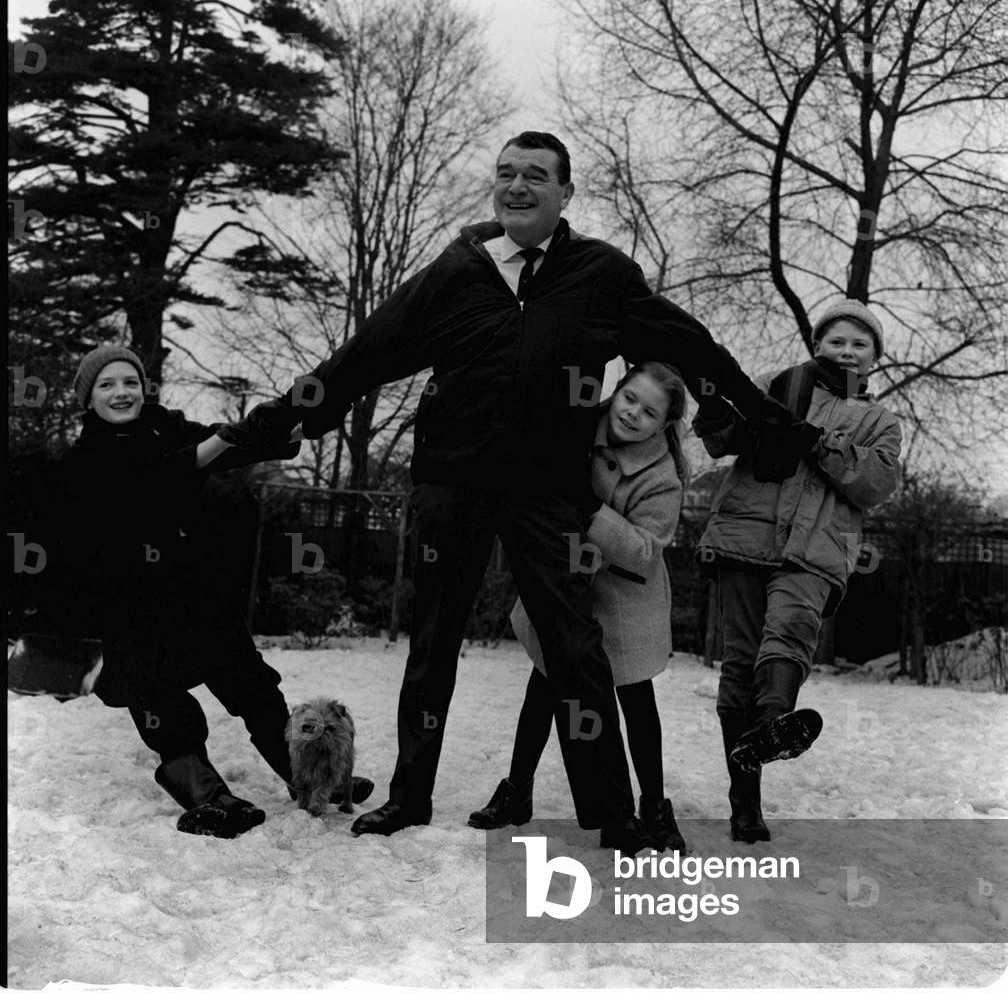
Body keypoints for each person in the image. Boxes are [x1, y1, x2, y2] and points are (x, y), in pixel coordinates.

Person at [220, 131, 816, 850]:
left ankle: (614, 812)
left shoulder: (601, 275)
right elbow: (365, 353)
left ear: (567, 193)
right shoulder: (458, 270)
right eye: (506, 174)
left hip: (547, 490)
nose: (517, 186)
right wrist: (278, 421)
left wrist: (764, 417)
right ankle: (409, 797)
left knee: (575, 645)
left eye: (536, 175)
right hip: (453, 479)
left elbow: (688, 344)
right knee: (433, 643)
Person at [47, 346, 373, 839]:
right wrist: (224, 439)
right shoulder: (84, 459)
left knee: (255, 688)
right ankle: (208, 797)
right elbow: (156, 478)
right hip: (128, 606)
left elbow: (229, 445)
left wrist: (286, 428)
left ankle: (305, 778)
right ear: (87, 398)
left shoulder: (166, 427)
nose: (121, 392)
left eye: (129, 382)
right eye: (106, 385)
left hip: (193, 592)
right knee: (165, 704)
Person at [692, 299, 902, 842]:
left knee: (790, 632)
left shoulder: (881, 422)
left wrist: (816, 440)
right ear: (817, 345)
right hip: (745, 535)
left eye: (861, 343)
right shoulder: (778, 385)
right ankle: (745, 803)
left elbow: (875, 483)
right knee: (740, 662)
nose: (847, 351)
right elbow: (724, 441)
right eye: (837, 341)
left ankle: (772, 723)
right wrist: (713, 409)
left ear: (876, 357)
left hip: (816, 550)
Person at [469, 362, 690, 852]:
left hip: (624, 596)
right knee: (544, 687)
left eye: (649, 412)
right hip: (564, 585)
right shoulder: (578, 427)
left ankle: (653, 805)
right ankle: (516, 792)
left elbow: (644, 550)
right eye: (630, 398)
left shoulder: (663, 477)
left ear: (664, 424)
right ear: (618, 391)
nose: (633, 414)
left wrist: (592, 513)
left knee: (636, 702)